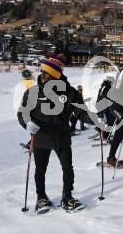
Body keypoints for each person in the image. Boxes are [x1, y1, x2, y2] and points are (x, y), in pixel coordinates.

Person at [17, 55, 86, 213]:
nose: (42, 76)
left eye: (47, 74)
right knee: (40, 169)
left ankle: (67, 197)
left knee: (67, 168)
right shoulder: (33, 92)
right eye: (42, 72)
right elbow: (22, 114)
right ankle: (41, 197)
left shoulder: (69, 92)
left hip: (62, 136)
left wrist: (97, 119)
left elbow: (82, 113)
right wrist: (27, 123)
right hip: (41, 137)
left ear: (56, 76)